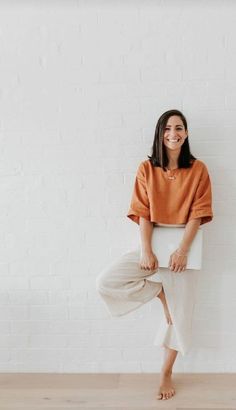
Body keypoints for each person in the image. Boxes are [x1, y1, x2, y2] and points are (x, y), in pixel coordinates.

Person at [96, 109, 213, 401]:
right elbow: (143, 212)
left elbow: (198, 214)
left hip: (184, 246)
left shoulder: (198, 169)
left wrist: (183, 251)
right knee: (107, 281)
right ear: (160, 133)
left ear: (186, 133)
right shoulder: (146, 169)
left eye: (179, 128)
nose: (173, 133)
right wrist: (146, 250)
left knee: (178, 317)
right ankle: (158, 291)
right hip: (154, 239)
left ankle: (165, 374)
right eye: (168, 128)